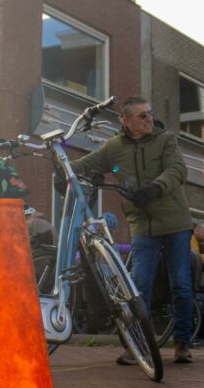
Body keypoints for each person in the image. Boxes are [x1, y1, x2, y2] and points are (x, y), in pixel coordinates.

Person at [70, 96, 196, 363]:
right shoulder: (114, 147)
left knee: (181, 285)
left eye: (150, 113)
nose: (149, 118)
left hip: (175, 223)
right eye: (141, 115)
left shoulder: (166, 140)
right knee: (138, 286)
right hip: (142, 226)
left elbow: (177, 170)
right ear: (125, 121)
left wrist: (154, 188)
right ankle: (137, 345)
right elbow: (86, 164)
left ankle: (183, 344)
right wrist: (65, 171)